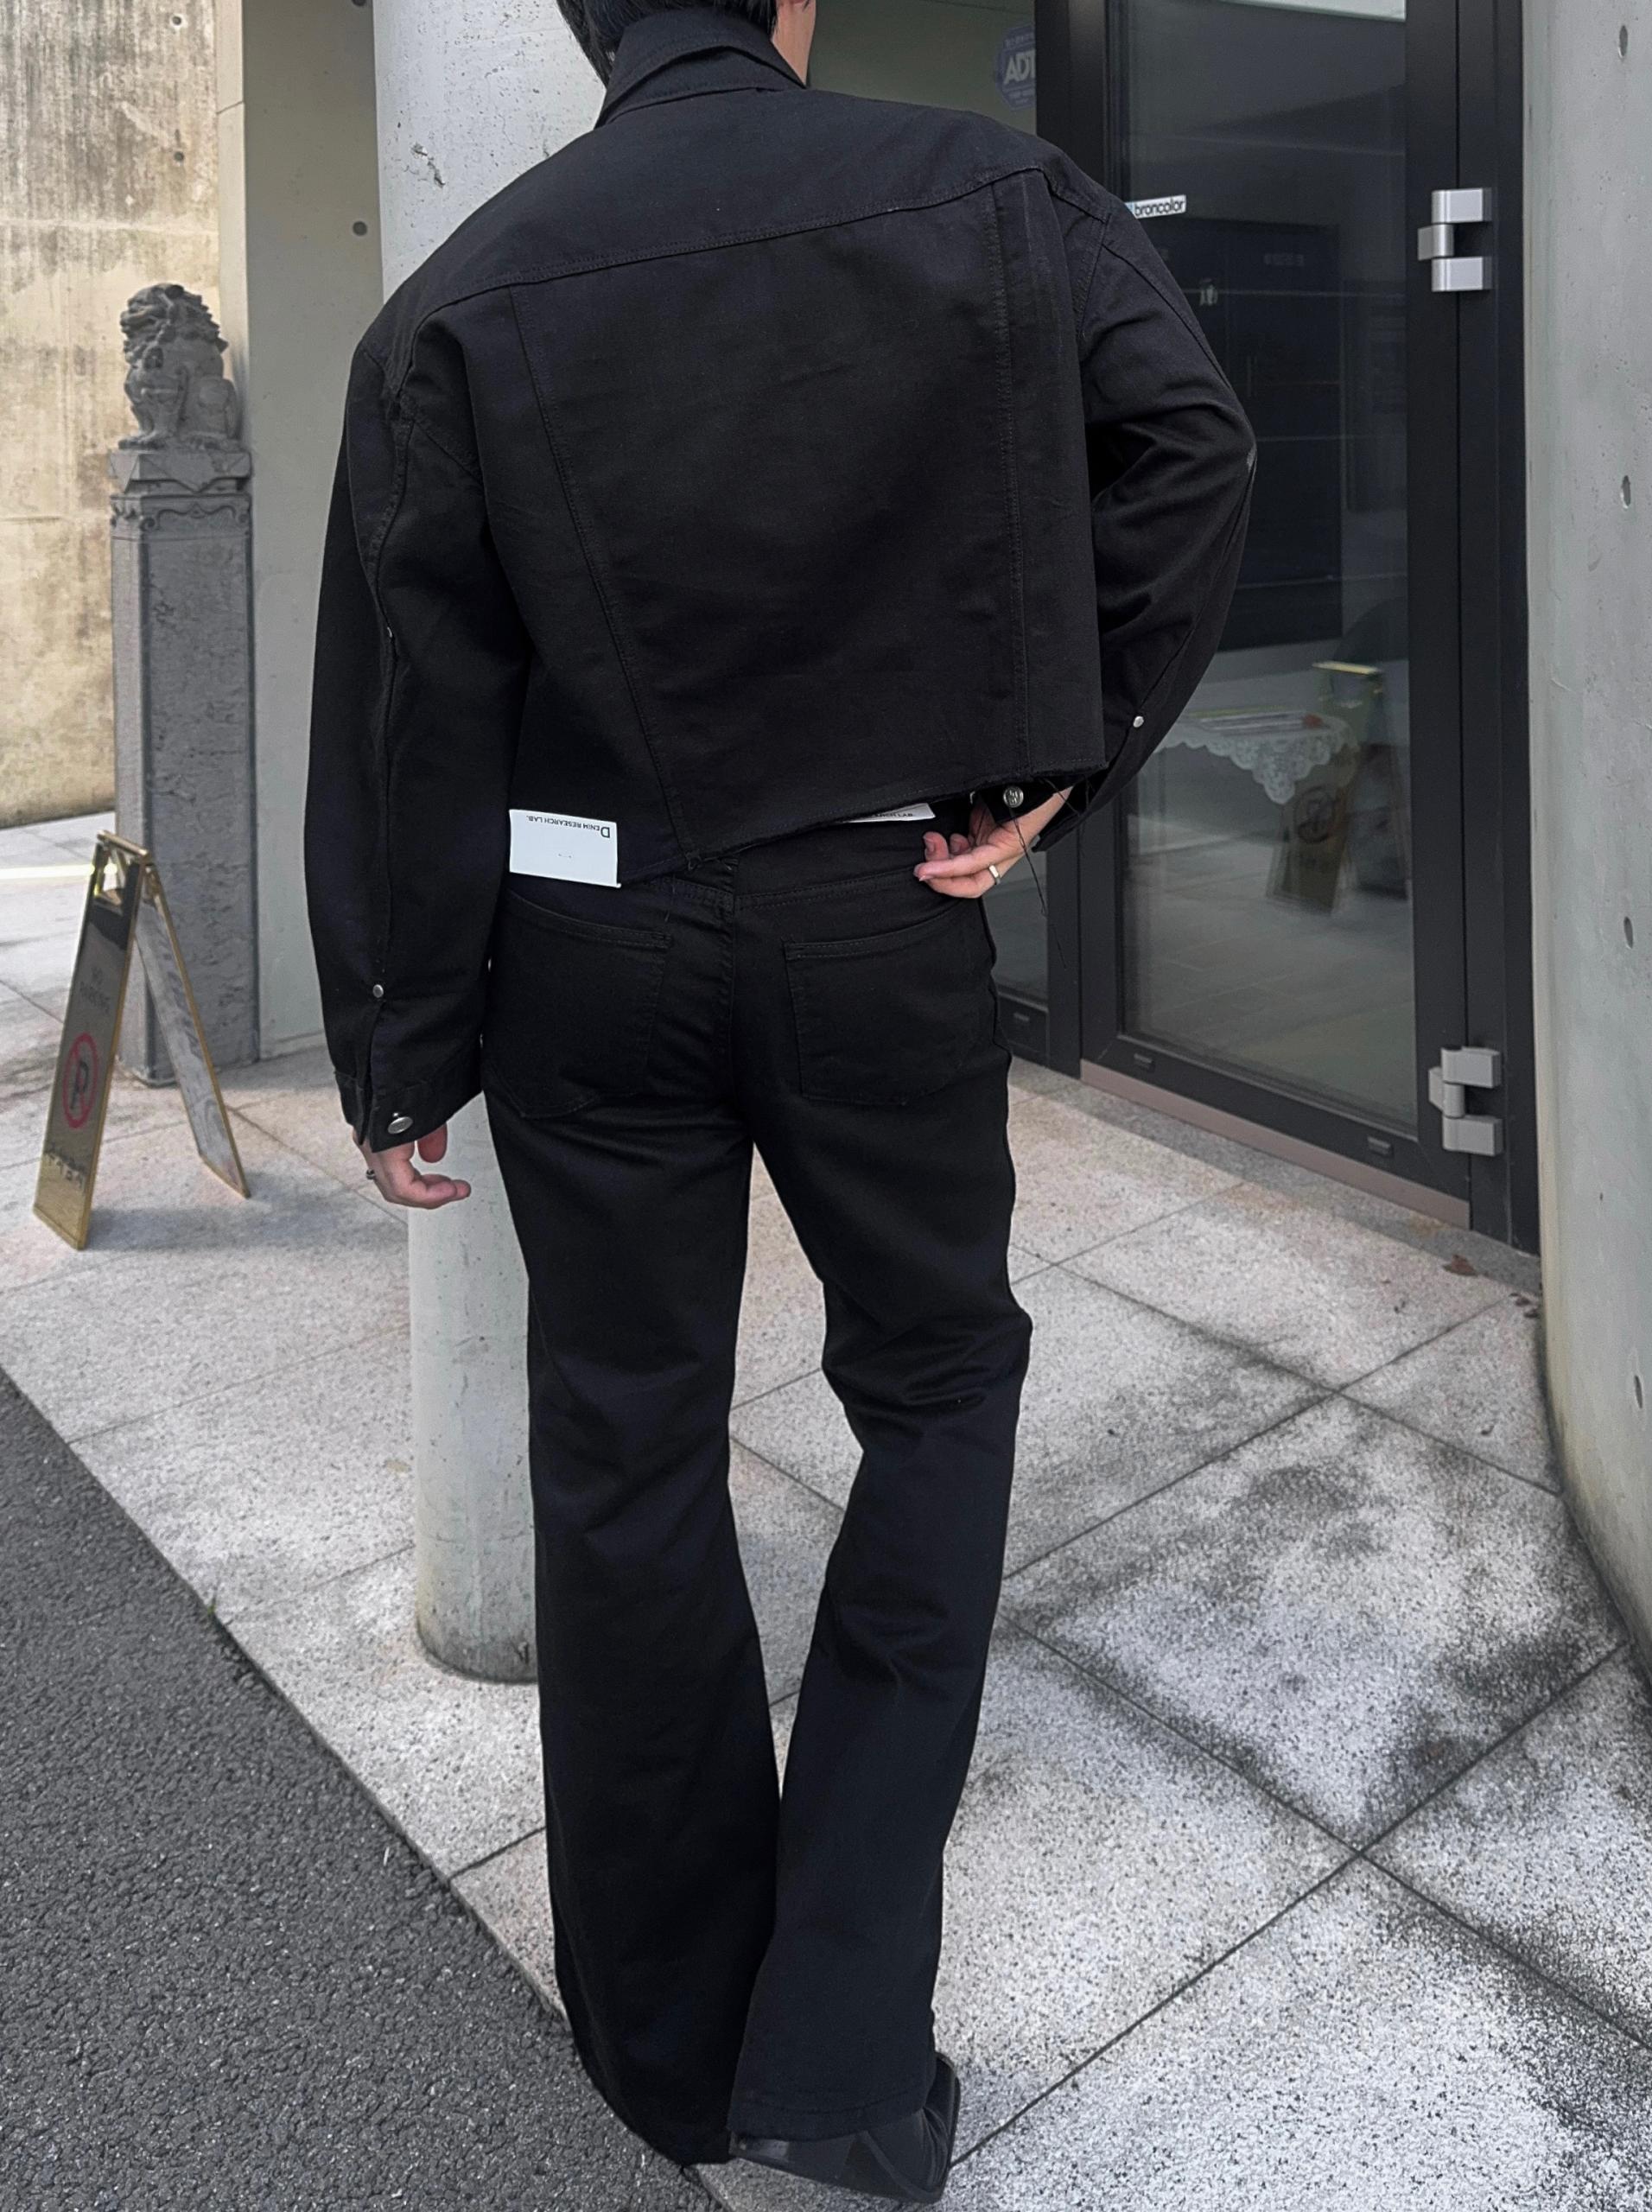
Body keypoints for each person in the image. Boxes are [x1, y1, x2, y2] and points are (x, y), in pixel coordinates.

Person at [305, 1, 1253, 2199]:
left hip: (588, 948)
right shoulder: (993, 191)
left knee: (625, 1444)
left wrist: (401, 1027)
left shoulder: (461, 296)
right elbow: (1192, 446)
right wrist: (1064, 748)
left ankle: (670, 2053)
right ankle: (837, 2039)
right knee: (937, 1392)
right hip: (874, 907)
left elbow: (412, 697)